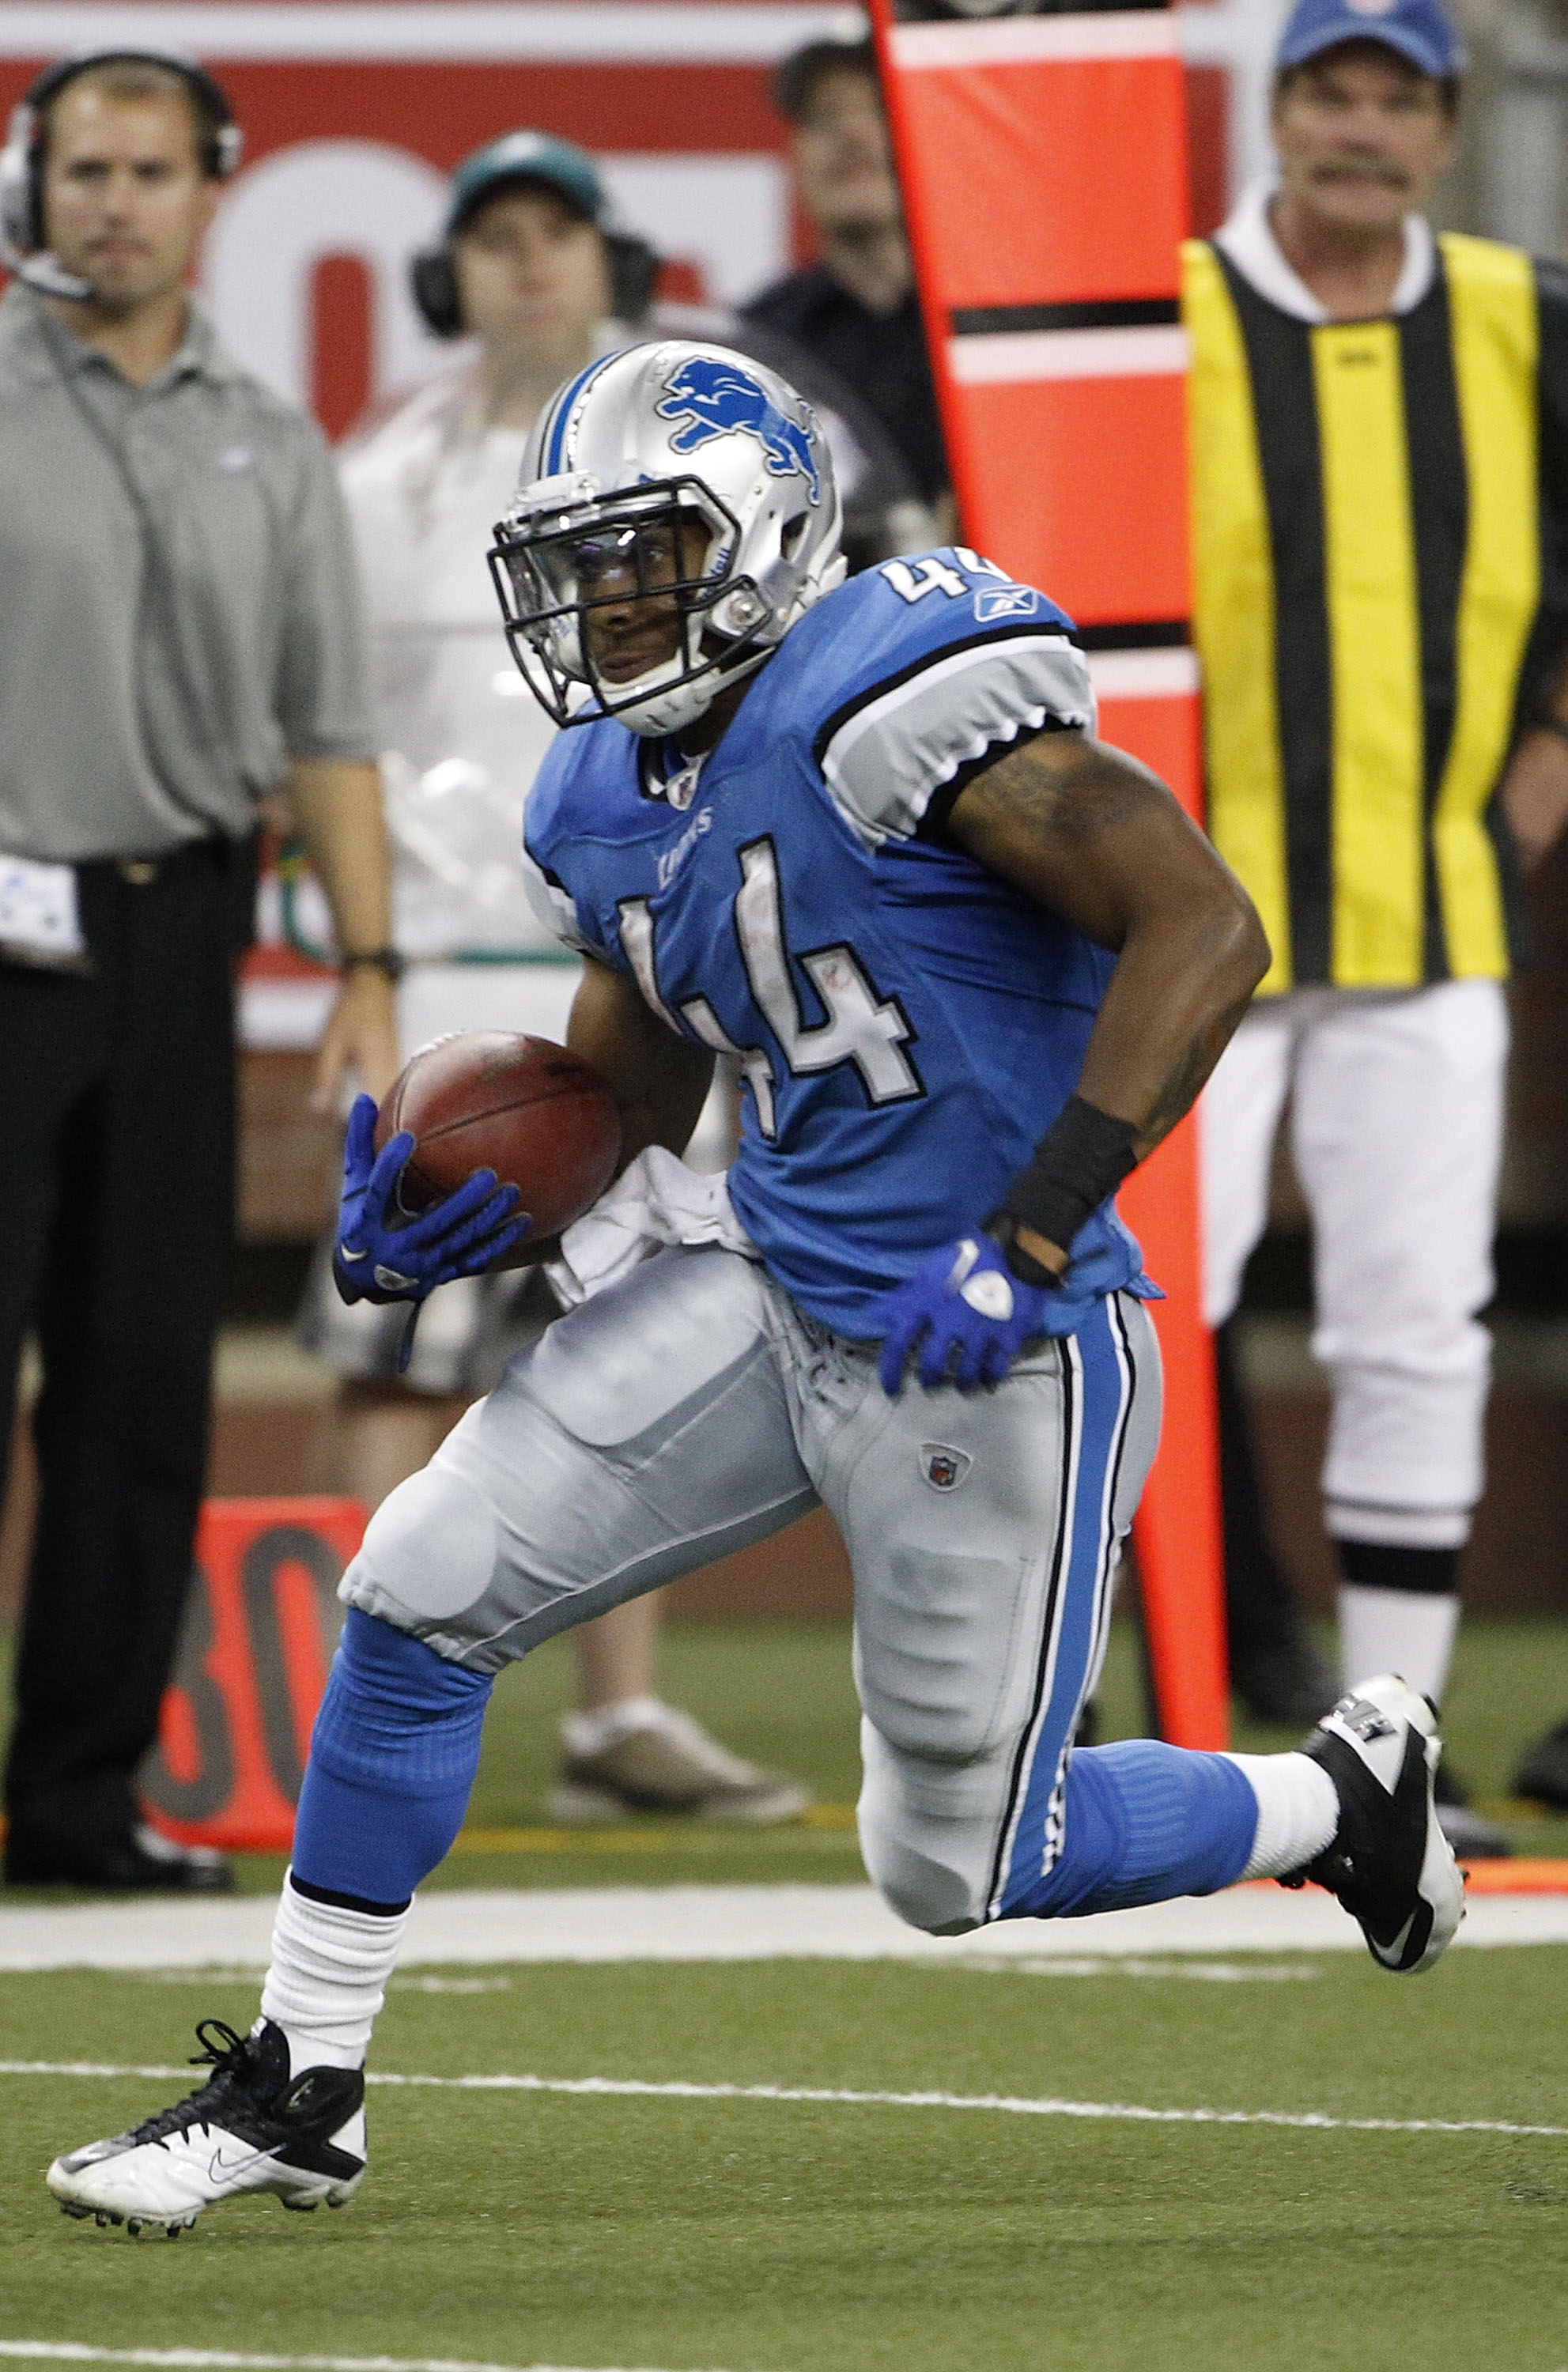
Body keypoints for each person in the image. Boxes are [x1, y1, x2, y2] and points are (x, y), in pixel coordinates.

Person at [45, 340, 1464, 2231]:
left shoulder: (891, 691)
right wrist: (474, 1217)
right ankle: (303, 2080)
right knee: (415, 1585)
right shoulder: (600, 789)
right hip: (778, 1275)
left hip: (998, 1332)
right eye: (578, 563)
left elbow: (1203, 920)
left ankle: (1337, 1802)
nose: (608, 599)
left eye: (647, 549)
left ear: (771, 534)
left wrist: (1031, 1222)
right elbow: (633, 1081)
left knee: (955, 1863)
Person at [299, 130, 816, 1824]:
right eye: (496, 237)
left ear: (618, 261)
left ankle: (621, 1721)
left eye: (559, 234)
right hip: (450, 946)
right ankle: (338, 1692)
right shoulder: (381, 478)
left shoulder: (704, 462)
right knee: (406, 1337)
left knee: (638, 1308)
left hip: (647, 941)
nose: (530, 264)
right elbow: (330, 733)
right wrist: (365, 962)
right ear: (451, 272)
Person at [0, 50, 399, 1893]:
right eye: (82, 168)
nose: (112, 203)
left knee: (146, 1378)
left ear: (212, 189)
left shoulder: (268, 431)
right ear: (33, 178)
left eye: (149, 171)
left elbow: (327, 723)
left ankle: (78, 1801)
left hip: (181, 932)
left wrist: (371, 961)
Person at [1185, 0, 1568, 1848]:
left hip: (1431, 920)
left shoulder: (1522, 317)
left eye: (1394, 97)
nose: (1357, 127)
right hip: (1182, 935)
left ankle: (1390, 1753)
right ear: (1273, 113)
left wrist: (1555, 727)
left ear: (1442, 127)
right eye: (1327, 90)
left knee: (1420, 1328)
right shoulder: (1158, 310)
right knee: (1136, 1317)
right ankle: (1147, 1740)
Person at [742, 38, 950, 525]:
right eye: (822, 116)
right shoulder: (759, 343)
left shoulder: (998, 324)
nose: (851, 134)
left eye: (879, 107)